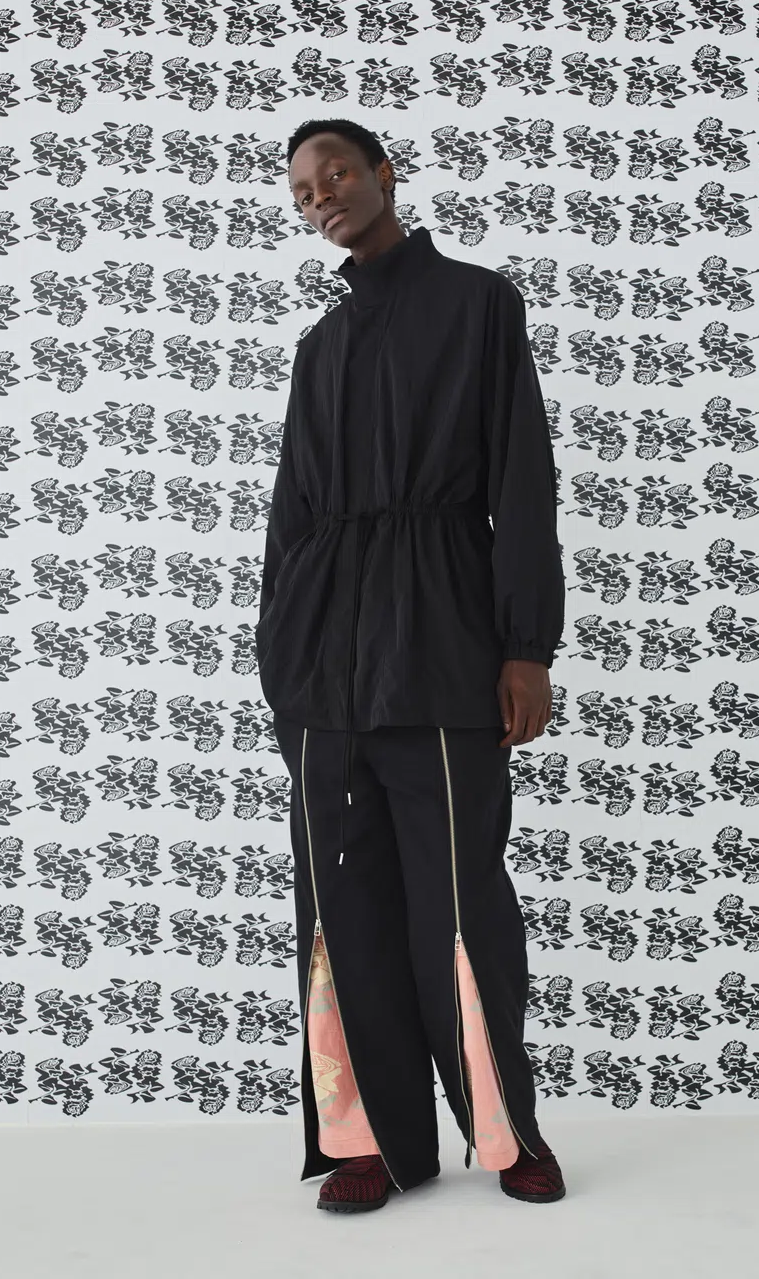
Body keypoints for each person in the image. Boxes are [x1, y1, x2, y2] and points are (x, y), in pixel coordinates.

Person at [256, 117, 566, 1213]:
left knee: (460, 900)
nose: (320, 197)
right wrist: (278, 647)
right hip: (320, 667)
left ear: (385, 174)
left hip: (440, 644)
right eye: (302, 191)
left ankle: (506, 1129)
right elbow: (292, 512)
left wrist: (525, 646)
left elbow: (521, 478)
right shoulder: (320, 347)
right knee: (340, 907)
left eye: (336, 173)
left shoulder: (478, 304)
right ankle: (368, 1140)